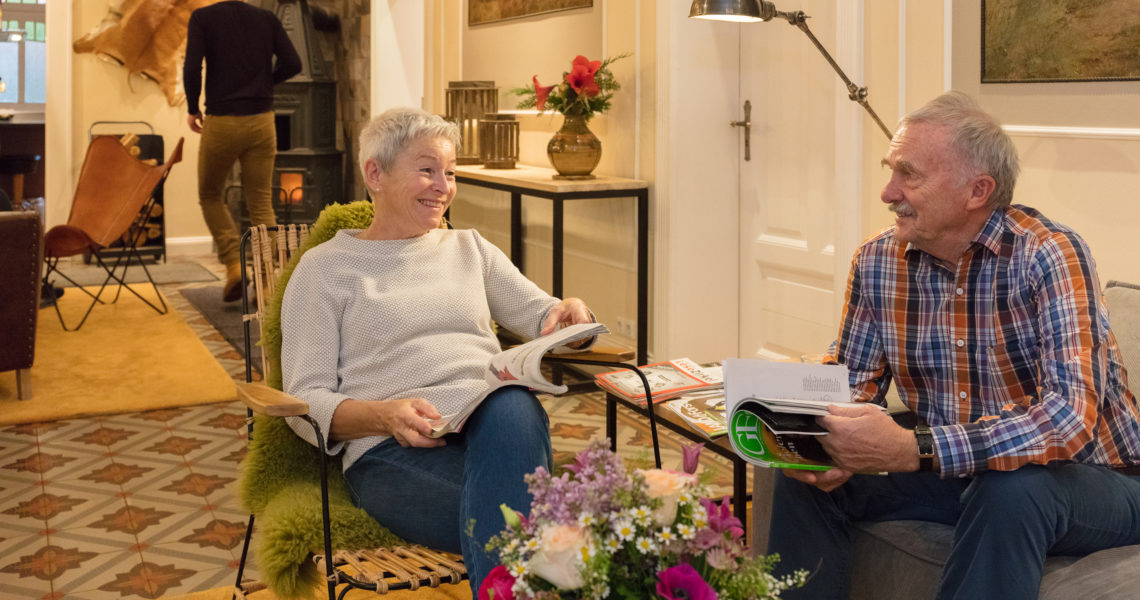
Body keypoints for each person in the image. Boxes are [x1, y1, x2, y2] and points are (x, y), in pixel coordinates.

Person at [767, 91, 1140, 599]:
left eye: (909, 174)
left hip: (1092, 480)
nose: (887, 192)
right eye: (889, 170)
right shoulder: (878, 261)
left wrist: (915, 447)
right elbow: (853, 381)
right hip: (957, 468)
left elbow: (1070, 420)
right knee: (809, 469)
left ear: (976, 191)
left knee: (1012, 484)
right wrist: (821, 432)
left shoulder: (1049, 255)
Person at [278, 107, 597, 594]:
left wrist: (572, 314)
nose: (443, 186)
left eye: (450, 173)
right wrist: (384, 416)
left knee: (512, 402)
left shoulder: (469, 248)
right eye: (427, 170)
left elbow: (544, 314)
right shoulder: (325, 270)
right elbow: (304, 404)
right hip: (391, 454)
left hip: (493, 430)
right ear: (375, 173)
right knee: (558, 532)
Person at [183, 0, 301, 302]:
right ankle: (266, 281)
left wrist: (193, 107)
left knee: (209, 195)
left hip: (221, 121)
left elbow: (192, 65)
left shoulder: (203, 17)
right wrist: (265, 83)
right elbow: (293, 63)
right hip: (262, 121)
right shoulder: (266, 18)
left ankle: (235, 266)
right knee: (260, 201)